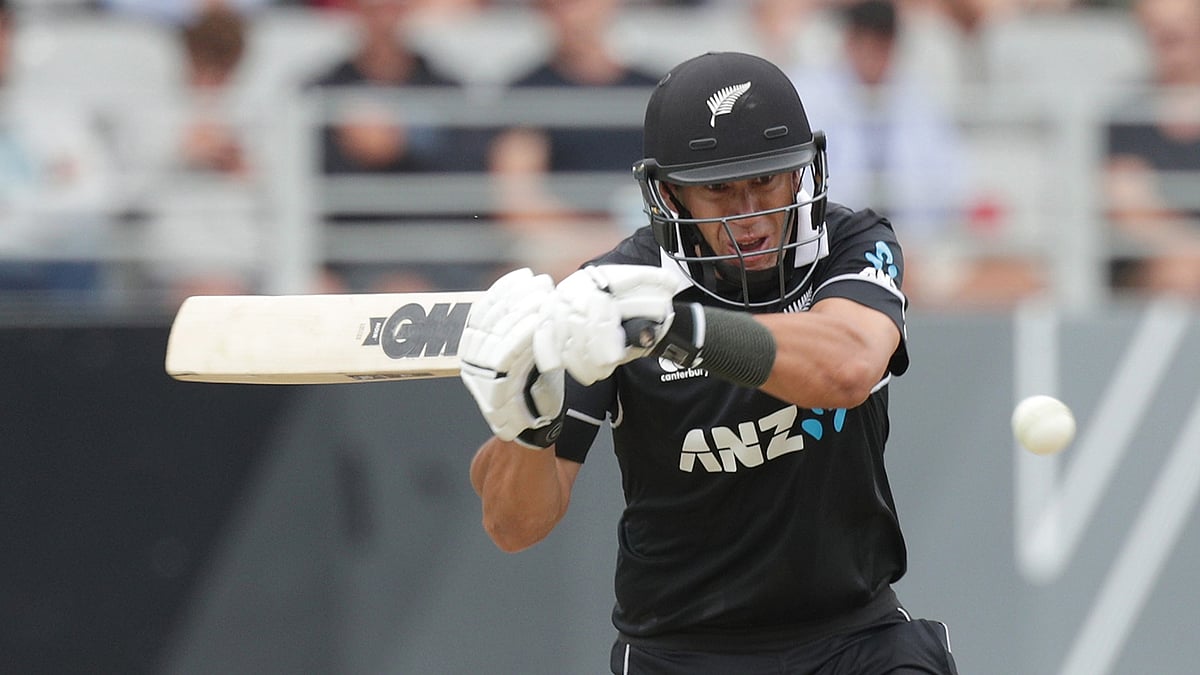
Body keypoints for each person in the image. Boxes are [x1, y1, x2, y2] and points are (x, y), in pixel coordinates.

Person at [460, 51, 959, 674]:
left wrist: (678, 330)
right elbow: (513, 526)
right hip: (681, 650)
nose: (748, 215)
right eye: (719, 188)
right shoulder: (613, 291)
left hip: (854, 639)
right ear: (669, 194)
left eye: (766, 181)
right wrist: (525, 428)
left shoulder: (851, 244)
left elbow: (849, 367)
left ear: (803, 175)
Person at [1103, 0, 1200, 296]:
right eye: (1156, 26)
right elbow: (1128, 206)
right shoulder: (1123, 117)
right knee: (1178, 274)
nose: (1170, 34)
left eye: (1182, 23)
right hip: (1152, 271)